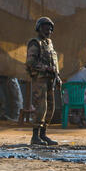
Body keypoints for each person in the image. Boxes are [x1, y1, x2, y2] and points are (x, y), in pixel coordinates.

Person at [26, 17, 62, 146]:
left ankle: (43, 134)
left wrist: (57, 76)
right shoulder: (35, 43)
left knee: (50, 108)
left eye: (50, 29)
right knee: (41, 107)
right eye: (46, 28)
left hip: (50, 80)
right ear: (39, 28)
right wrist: (45, 68)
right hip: (40, 79)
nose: (48, 31)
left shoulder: (49, 44)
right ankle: (35, 136)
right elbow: (30, 62)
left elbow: (54, 61)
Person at [65, 62, 86, 127]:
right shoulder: (85, 72)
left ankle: (78, 117)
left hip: (68, 99)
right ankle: (83, 118)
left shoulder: (67, 71)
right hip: (81, 100)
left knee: (82, 95)